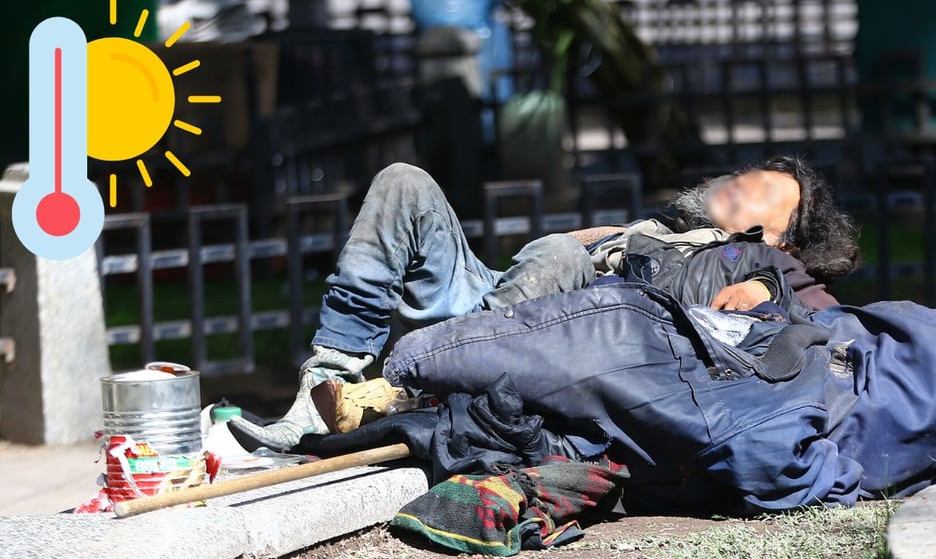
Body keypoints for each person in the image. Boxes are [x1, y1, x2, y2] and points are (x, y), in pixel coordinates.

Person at [229, 157, 860, 450]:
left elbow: (823, 319)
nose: (737, 184)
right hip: (500, 305)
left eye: (756, 194)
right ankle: (327, 383)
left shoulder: (763, 263)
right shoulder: (656, 228)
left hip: (548, 346)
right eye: (744, 176)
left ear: (775, 236)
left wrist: (767, 290)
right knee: (404, 182)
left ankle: (410, 392)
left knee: (561, 256)